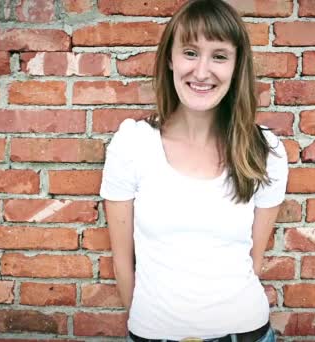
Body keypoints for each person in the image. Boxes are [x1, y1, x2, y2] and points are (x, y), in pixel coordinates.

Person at [100, 0, 288, 341]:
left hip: (246, 333)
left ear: (236, 66)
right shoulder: (132, 144)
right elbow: (122, 263)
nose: (202, 72)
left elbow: (253, 260)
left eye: (219, 56)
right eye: (190, 52)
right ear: (170, 59)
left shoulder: (265, 151)